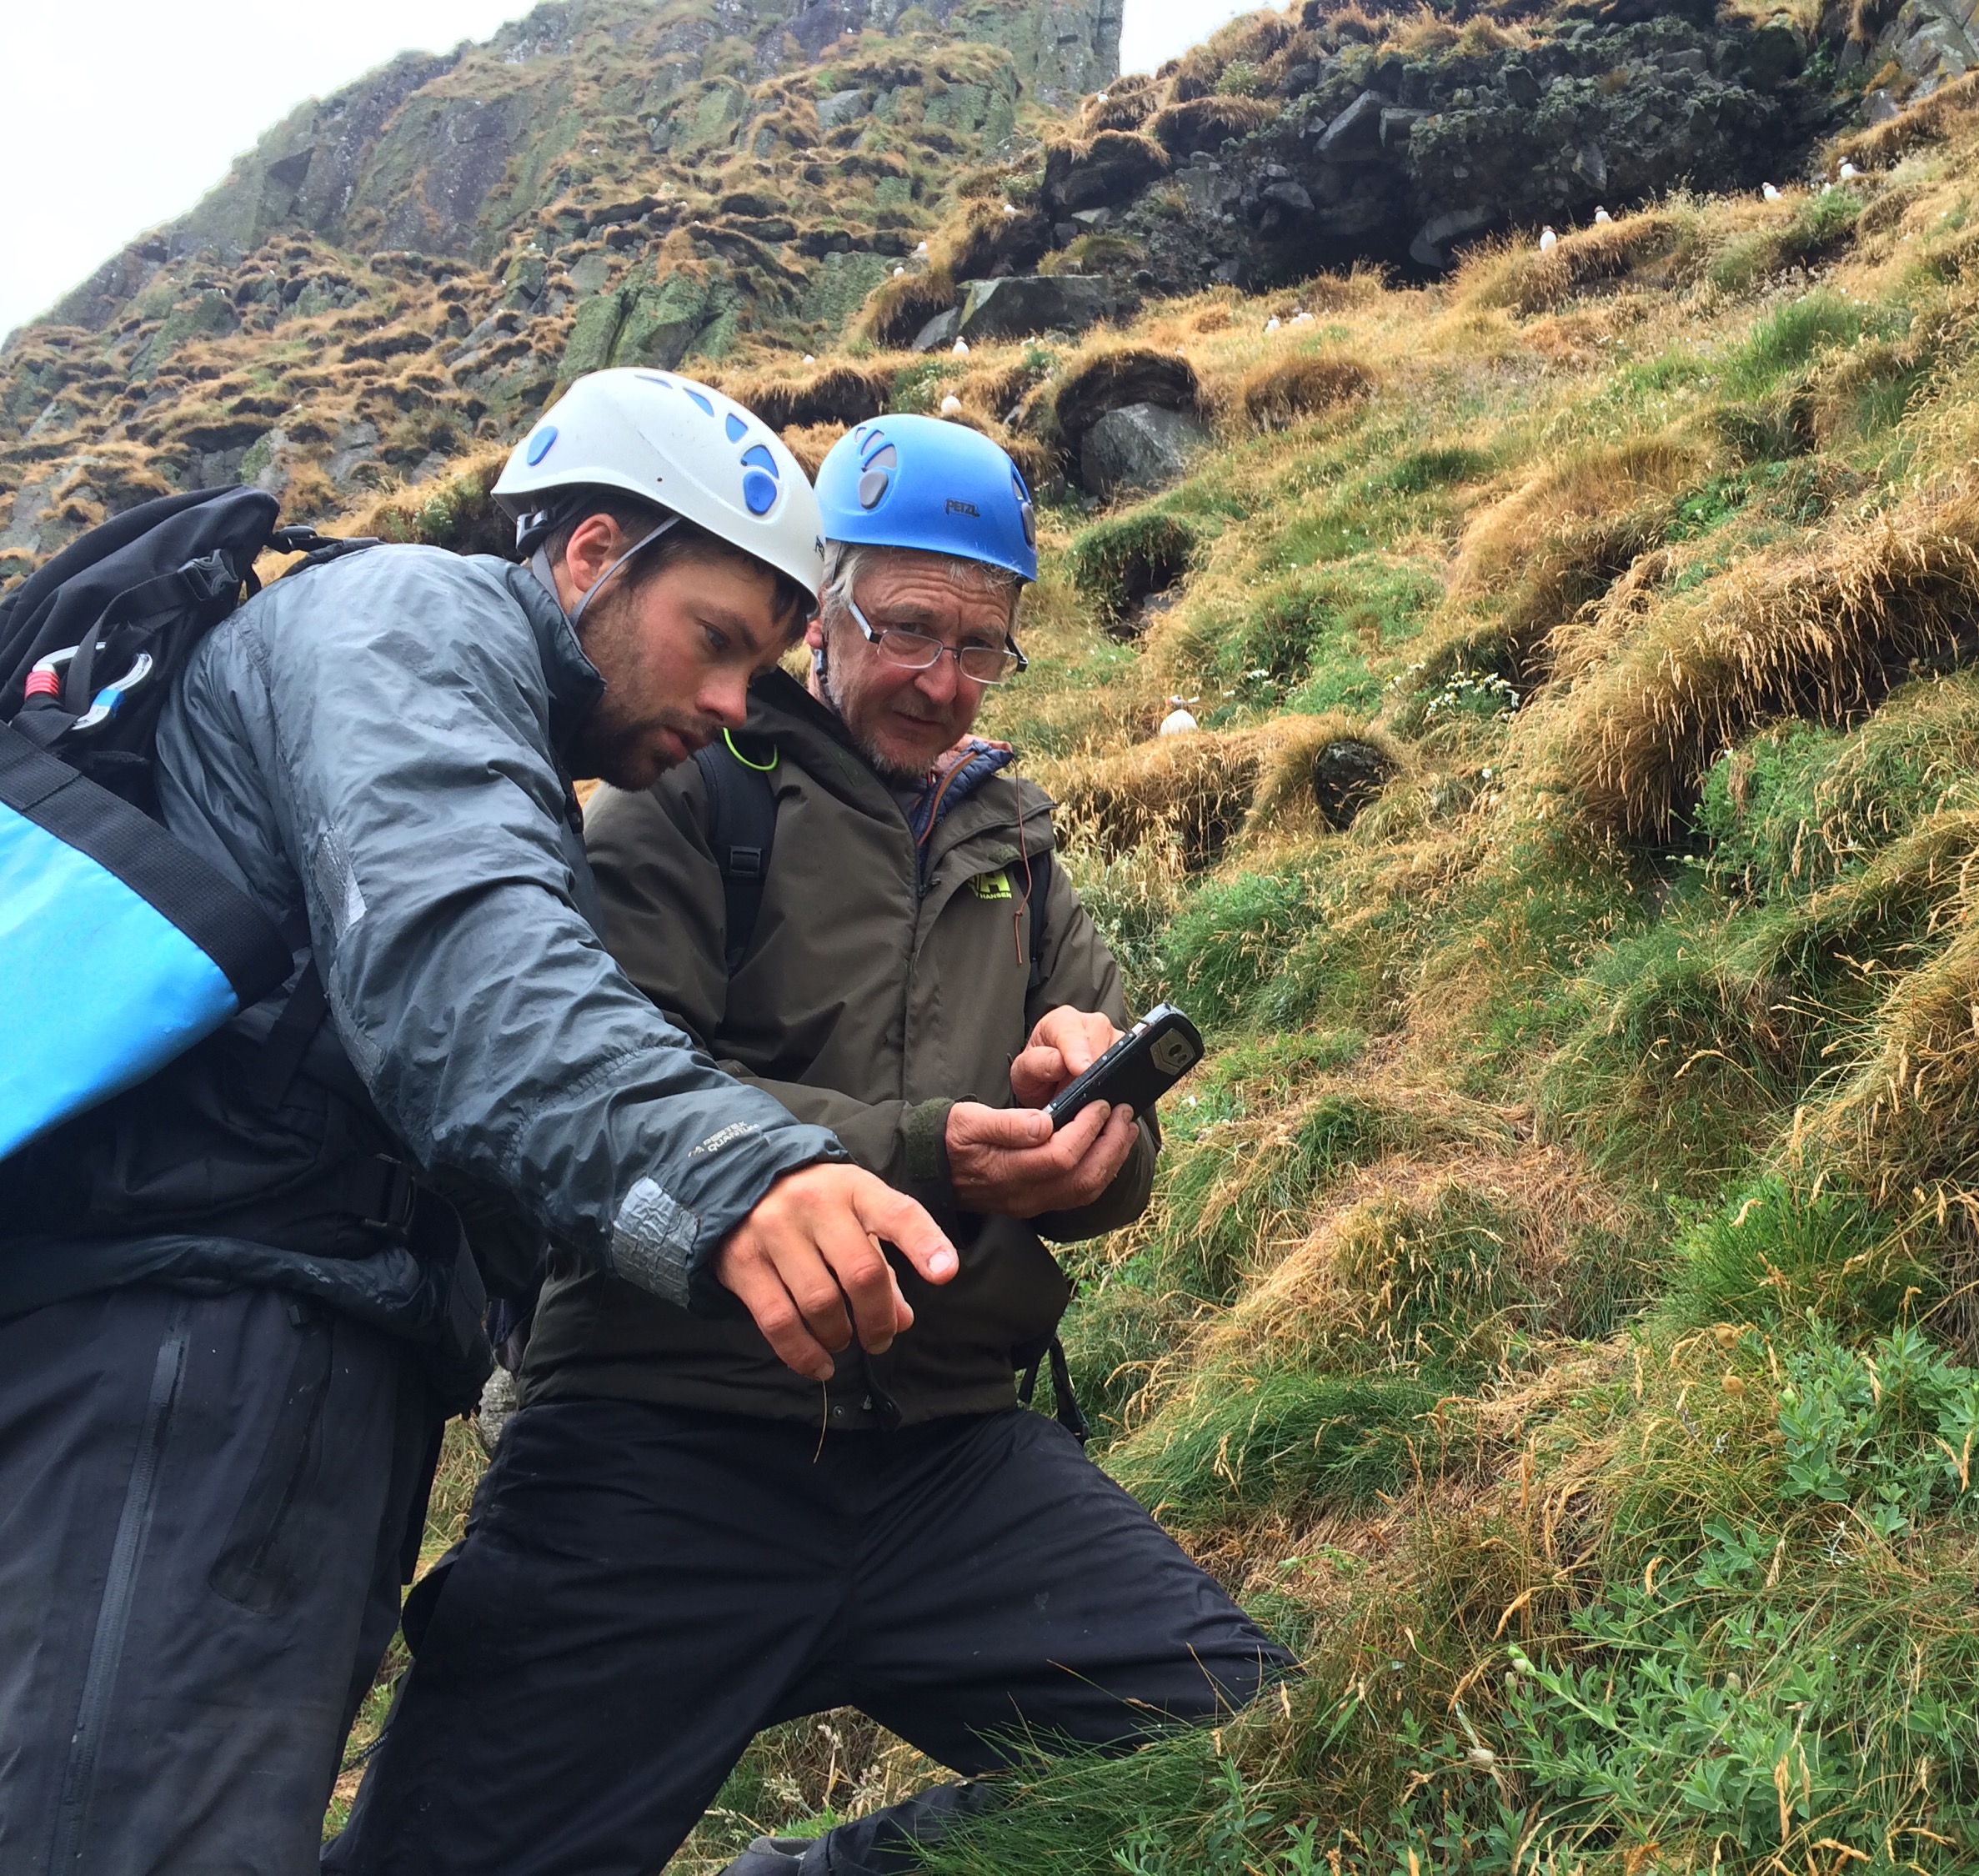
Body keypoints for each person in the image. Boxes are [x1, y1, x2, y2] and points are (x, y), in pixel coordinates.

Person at [0, 369, 959, 1876]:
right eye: (715, 644)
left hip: (282, 1360)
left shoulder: (489, 719)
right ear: (589, 557)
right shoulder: (409, 622)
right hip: (193, 1349)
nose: (729, 710)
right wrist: (731, 1168)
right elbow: (462, 968)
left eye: (762, 669)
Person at [324, 415, 1293, 1876]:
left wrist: (1096, 1138)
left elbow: (1103, 1135)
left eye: (983, 644)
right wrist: (929, 1150)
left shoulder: (1016, 850)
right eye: (906, 627)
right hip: (661, 1437)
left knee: (1251, 1747)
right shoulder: (686, 790)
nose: (940, 678)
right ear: (820, 609)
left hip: (952, 1453)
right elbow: (614, 1096)